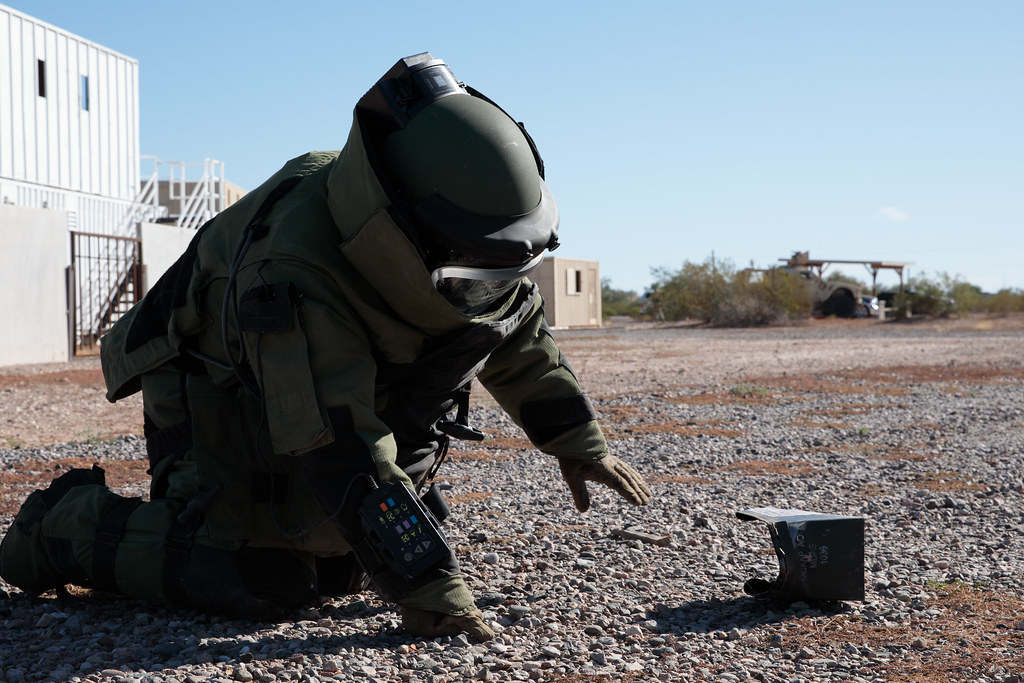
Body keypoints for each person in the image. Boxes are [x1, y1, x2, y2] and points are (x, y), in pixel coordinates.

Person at [0, 53, 651, 643]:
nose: (491, 287)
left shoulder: (467, 245)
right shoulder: (295, 271)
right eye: (476, 273)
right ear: (407, 235)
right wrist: (430, 591)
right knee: (260, 576)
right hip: (208, 381)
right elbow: (338, 443)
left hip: (316, 370)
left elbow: (516, 332)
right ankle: (57, 528)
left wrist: (577, 442)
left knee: (342, 566)